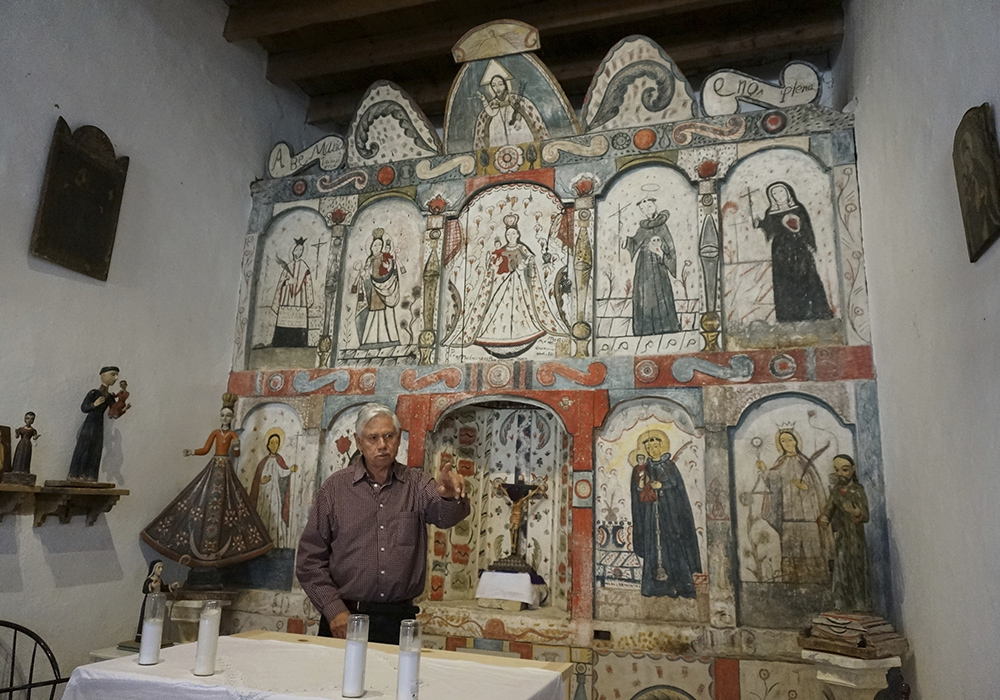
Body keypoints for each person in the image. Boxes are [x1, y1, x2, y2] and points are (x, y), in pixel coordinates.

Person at [297, 403, 469, 644]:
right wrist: (333, 609)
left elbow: (446, 517)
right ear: (358, 441)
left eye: (389, 436)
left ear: (398, 439)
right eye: (373, 437)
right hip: (344, 618)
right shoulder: (334, 490)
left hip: (398, 621)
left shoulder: (418, 484)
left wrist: (448, 495)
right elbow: (309, 560)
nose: (382, 445)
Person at [141, 393, 272, 569]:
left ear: (232, 418)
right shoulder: (216, 433)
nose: (225, 418)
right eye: (223, 415)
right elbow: (205, 449)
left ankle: (220, 553)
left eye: (228, 415)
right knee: (200, 499)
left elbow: (235, 455)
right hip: (215, 467)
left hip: (225, 469)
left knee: (231, 504)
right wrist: (192, 452)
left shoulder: (233, 434)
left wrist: (237, 447)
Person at [445, 213, 569, 358]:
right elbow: (493, 266)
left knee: (521, 309)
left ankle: (522, 333)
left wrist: (524, 265)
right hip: (503, 283)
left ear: (517, 234)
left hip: (519, 285)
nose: (511, 236)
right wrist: (495, 266)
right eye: (508, 234)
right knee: (498, 309)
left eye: (513, 233)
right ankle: (496, 336)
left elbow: (531, 260)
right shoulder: (499, 251)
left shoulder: (522, 248)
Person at [629, 429, 701, 598]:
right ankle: (654, 587)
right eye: (649, 447)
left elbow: (679, 489)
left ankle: (681, 586)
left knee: (674, 545)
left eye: (655, 446)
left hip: (669, 515)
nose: (653, 450)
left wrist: (663, 488)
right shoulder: (642, 467)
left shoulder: (670, 466)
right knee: (652, 546)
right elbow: (638, 490)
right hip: (650, 516)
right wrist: (644, 485)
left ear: (661, 446)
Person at [756, 428, 833, 583]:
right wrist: (764, 471)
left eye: (789, 440)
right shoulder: (781, 462)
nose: (787, 444)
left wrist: (805, 487)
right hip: (788, 512)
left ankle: (815, 578)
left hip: (807, 512)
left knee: (810, 544)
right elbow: (774, 481)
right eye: (783, 441)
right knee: (791, 546)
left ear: (796, 441)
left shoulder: (803, 462)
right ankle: (792, 579)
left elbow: (815, 487)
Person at [753, 182, 833, 323]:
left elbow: (806, 227)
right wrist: (759, 223)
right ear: (771, 197)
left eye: (781, 192)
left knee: (806, 278)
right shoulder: (770, 212)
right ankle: (788, 316)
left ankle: (814, 313)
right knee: (784, 282)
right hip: (780, 251)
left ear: (788, 193)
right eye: (775, 194)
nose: (779, 196)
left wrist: (810, 244)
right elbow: (769, 228)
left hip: (799, 248)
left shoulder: (798, 208)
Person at [818, 454, 870, 611]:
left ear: (853, 470)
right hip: (841, 537)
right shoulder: (836, 492)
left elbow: (866, 515)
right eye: (837, 470)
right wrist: (824, 518)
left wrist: (856, 513)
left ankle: (860, 603)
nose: (841, 473)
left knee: (856, 568)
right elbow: (828, 509)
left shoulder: (857, 491)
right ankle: (841, 603)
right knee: (841, 568)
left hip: (855, 538)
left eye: (845, 469)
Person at [623, 198, 680, 336]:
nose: (647, 211)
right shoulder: (643, 227)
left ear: (655, 205)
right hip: (643, 268)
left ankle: (666, 327)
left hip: (658, 267)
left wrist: (660, 253)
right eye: (643, 209)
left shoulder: (662, 226)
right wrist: (625, 240)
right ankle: (644, 329)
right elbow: (634, 242)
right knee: (643, 295)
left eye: (649, 206)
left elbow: (670, 249)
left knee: (661, 295)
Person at [473, 60, 548, 149]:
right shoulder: (492, 107)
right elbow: (481, 134)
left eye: (500, 84)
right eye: (493, 85)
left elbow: (535, 123)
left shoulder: (520, 102)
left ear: (506, 85)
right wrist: (484, 100)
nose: (497, 88)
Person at [68, 366, 121, 482]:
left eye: (117, 375)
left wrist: (122, 408)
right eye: (113, 374)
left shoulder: (109, 397)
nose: (116, 378)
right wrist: (94, 405)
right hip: (90, 423)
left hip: (99, 424)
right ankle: (76, 473)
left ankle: (91, 475)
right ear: (103, 375)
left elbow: (114, 411)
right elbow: (84, 408)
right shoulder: (94, 392)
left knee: (96, 449)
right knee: (84, 446)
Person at [249, 430, 297, 549]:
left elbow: (282, 472)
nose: (274, 445)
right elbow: (258, 479)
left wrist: (290, 469)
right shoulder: (263, 462)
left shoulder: (278, 460)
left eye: (276, 443)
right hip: (264, 494)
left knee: (275, 513)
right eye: (272, 443)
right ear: (268, 445)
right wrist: (262, 481)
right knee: (263, 513)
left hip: (274, 492)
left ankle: (274, 542)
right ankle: (261, 543)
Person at [358, 228, 401, 348]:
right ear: (371, 247)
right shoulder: (370, 260)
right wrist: (363, 274)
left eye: (379, 245)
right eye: (375, 245)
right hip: (373, 290)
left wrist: (387, 267)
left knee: (386, 315)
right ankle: (369, 340)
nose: (377, 247)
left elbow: (391, 270)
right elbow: (366, 274)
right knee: (373, 313)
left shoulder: (385, 257)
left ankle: (389, 339)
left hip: (385, 288)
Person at [270, 237, 315, 347]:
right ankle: (281, 341)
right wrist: (289, 282)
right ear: (293, 250)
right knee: (284, 320)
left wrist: (309, 298)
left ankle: (299, 342)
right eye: (297, 249)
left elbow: (308, 284)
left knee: (299, 320)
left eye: (301, 250)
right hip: (287, 298)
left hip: (300, 299)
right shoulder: (288, 266)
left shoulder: (305, 267)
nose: (298, 252)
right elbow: (281, 284)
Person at [134, 559, 179, 643]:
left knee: (156, 618)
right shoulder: (149, 580)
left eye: (162, 567)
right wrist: (151, 586)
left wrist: (172, 586)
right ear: (154, 569)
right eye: (159, 567)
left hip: (158, 602)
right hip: (150, 602)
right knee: (147, 617)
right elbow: (144, 590)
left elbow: (163, 588)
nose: (161, 570)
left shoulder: (159, 580)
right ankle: (143, 636)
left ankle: (154, 635)